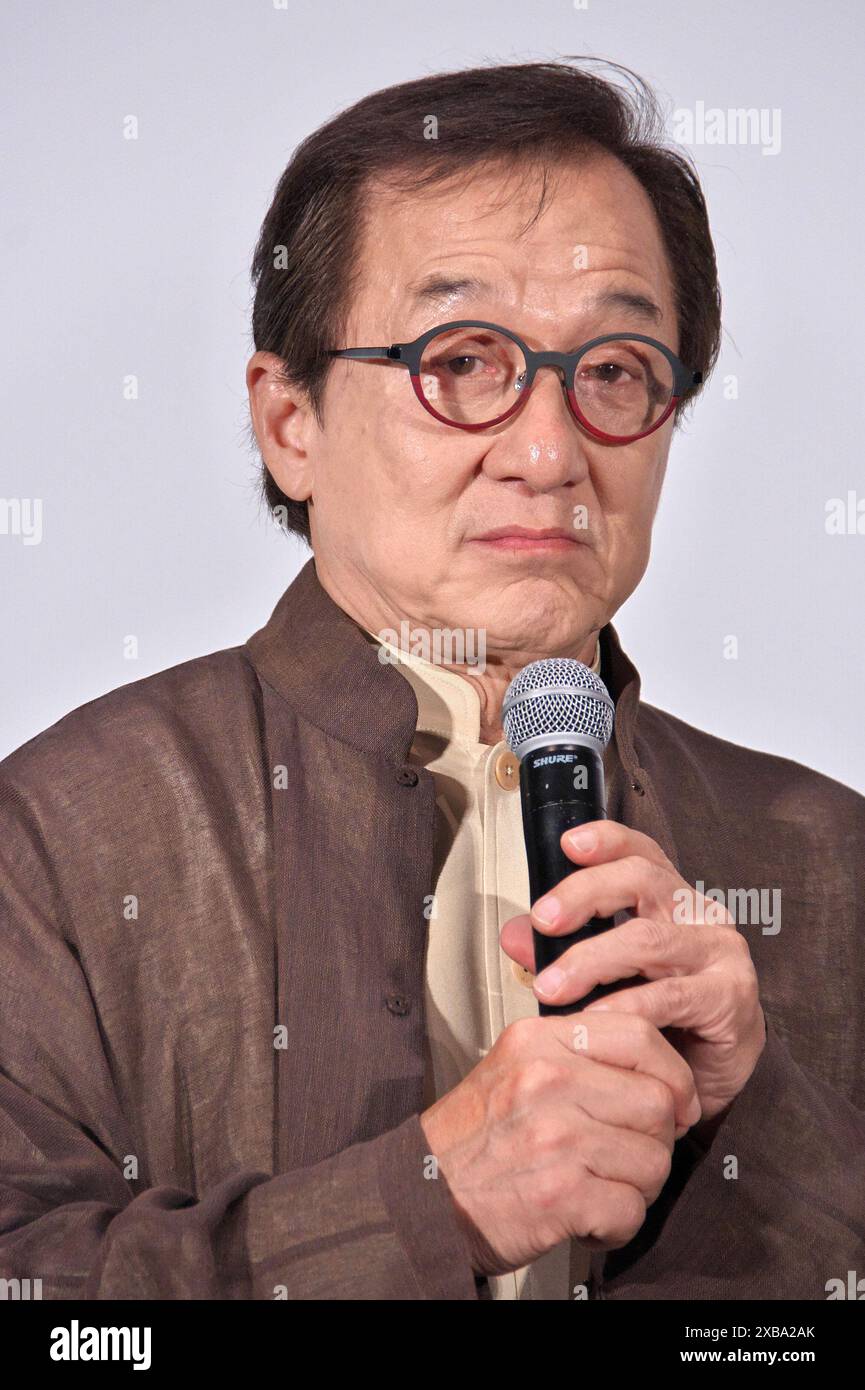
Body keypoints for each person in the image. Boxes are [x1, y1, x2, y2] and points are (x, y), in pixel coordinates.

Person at [1, 59, 863, 1302]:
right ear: (288, 421)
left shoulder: (824, 859)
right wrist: (423, 1210)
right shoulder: (64, 833)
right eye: (461, 360)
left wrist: (760, 1125)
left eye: (616, 369)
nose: (548, 449)